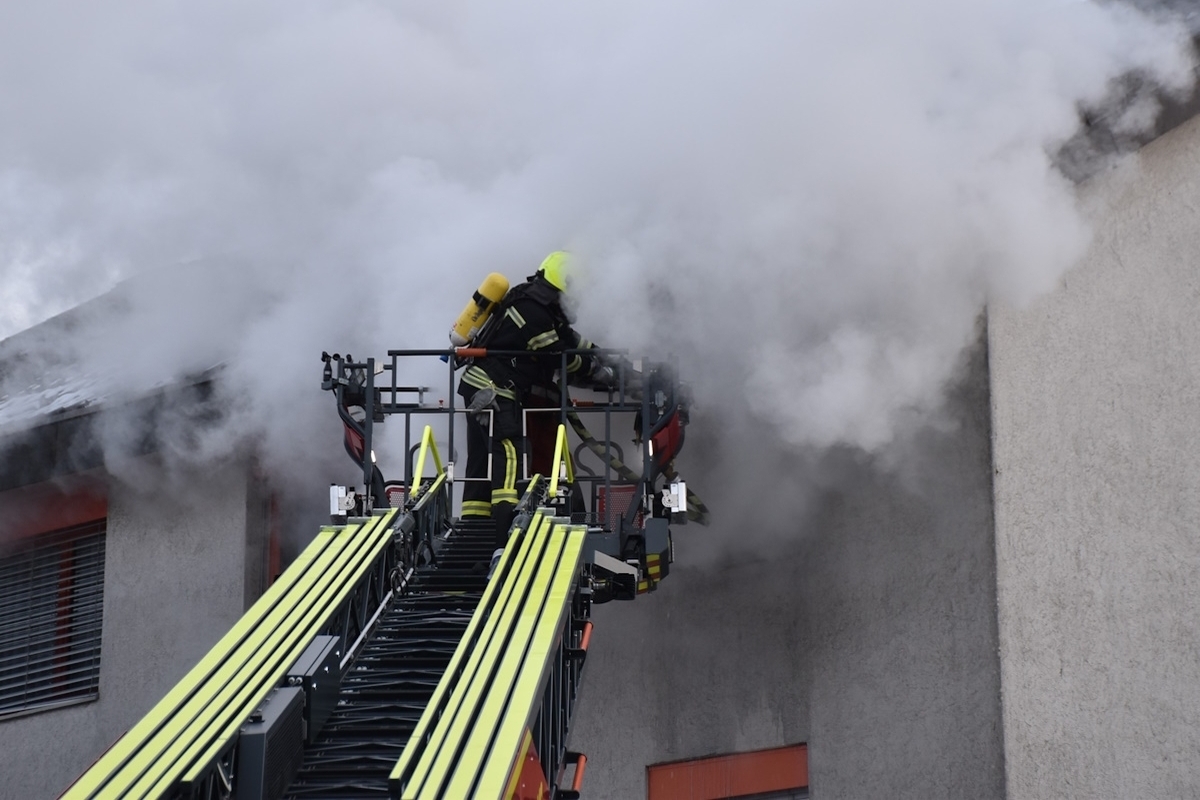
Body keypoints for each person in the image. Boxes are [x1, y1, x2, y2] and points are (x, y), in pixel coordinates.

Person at [456, 251, 613, 568]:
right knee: (510, 460)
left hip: (479, 388)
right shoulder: (534, 311)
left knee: (480, 467)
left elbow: (573, 341)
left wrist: (609, 358)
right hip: (494, 392)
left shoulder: (536, 305)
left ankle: (472, 537)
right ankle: (502, 547)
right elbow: (560, 356)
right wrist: (602, 373)